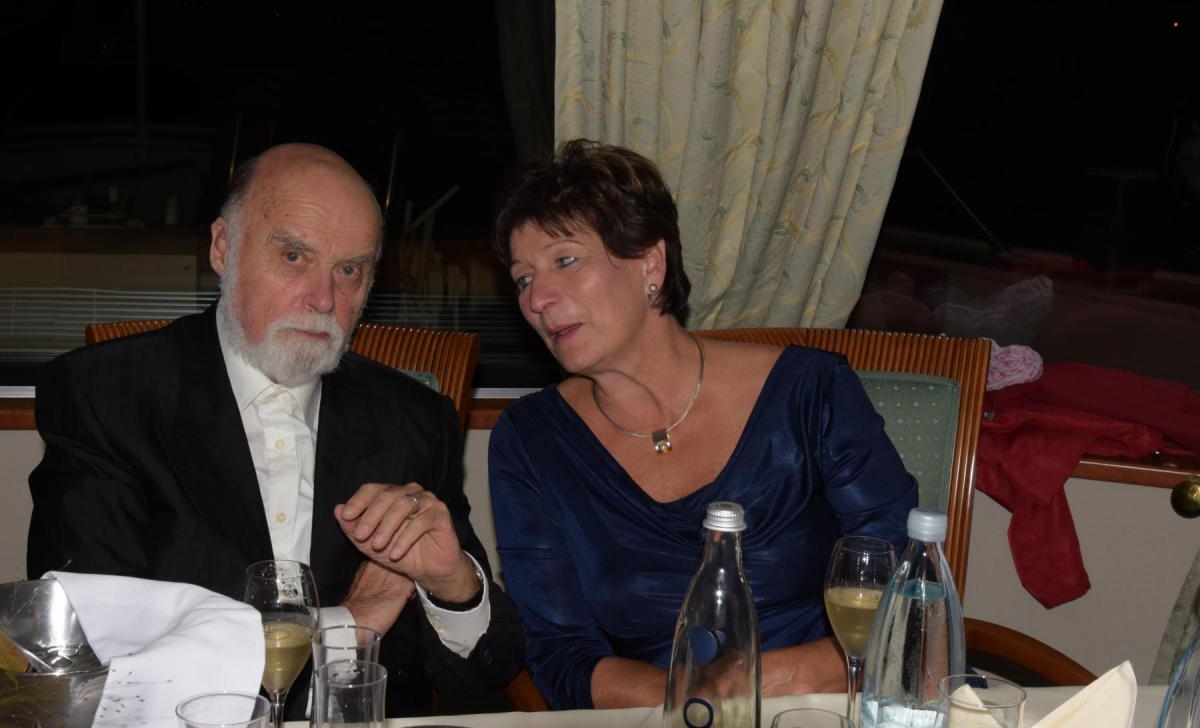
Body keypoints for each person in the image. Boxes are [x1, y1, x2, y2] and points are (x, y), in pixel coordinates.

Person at [27, 143, 524, 718]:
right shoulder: (103, 397)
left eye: (350, 270)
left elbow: (486, 671)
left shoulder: (415, 419)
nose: (324, 299)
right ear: (223, 247)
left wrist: (451, 584)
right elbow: (88, 663)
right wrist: (348, 625)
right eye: (293, 256)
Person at [488, 140, 918, 710]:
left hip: (825, 708)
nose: (538, 299)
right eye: (522, 279)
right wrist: (693, 703)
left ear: (650, 264)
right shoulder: (530, 440)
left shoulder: (810, 393)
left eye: (565, 260)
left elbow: (904, 589)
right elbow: (560, 654)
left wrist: (753, 688)